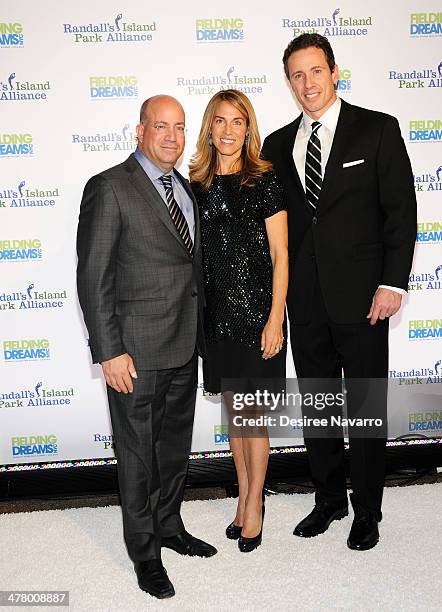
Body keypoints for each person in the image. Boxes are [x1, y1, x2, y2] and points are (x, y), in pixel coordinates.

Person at [262, 34, 417, 550]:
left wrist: (393, 282)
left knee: (366, 406)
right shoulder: (277, 146)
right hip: (305, 304)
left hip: (365, 300)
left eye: (315, 72)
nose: (307, 84)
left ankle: (367, 511)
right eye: (297, 76)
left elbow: (400, 212)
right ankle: (329, 500)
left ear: (334, 72)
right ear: (289, 83)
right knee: (319, 406)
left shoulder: (376, 130)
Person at [76, 95, 216, 600]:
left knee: (173, 449)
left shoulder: (184, 187)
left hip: (183, 346)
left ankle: (170, 526)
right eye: (161, 126)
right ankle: (144, 554)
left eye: (179, 128)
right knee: (137, 456)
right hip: (132, 353)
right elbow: (93, 277)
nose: (172, 137)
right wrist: (109, 351)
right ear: (140, 131)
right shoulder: (110, 187)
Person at [189, 89, 288, 553]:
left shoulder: (264, 180)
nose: (229, 130)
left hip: (257, 316)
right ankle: (246, 499)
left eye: (238, 122)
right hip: (217, 319)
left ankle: (253, 505)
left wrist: (275, 319)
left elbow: (280, 255)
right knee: (235, 419)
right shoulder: (197, 185)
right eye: (221, 121)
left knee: (255, 419)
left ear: (248, 129)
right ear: (210, 127)